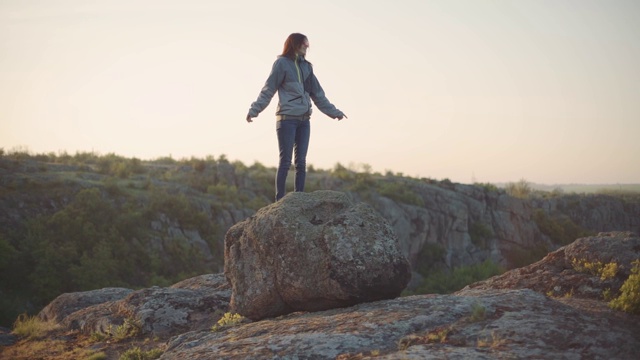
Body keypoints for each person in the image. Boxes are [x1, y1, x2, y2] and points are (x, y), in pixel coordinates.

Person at [246, 33, 347, 201]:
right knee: (285, 161)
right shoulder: (281, 64)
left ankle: (299, 200)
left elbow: (318, 95)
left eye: (308, 44)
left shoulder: (307, 68)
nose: (307, 46)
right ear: (295, 44)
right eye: (304, 43)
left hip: (304, 120)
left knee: (301, 162)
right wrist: (254, 110)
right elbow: (268, 90)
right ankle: (280, 201)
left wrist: (334, 112)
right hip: (287, 119)